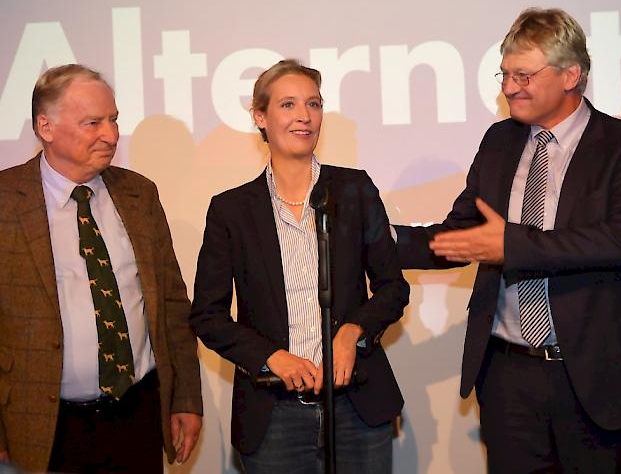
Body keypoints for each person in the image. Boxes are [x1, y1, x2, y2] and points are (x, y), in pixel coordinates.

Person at [394, 8, 621, 473]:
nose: (510, 87)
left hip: (598, 377)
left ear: (572, 75)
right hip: (508, 378)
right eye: (506, 74)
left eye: (524, 75)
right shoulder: (500, 141)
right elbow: (462, 237)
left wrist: (512, 246)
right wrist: (377, 238)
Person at [190, 59, 409, 473]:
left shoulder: (354, 189)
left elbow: (392, 287)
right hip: (272, 414)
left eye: (314, 104)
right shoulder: (231, 210)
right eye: (288, 105)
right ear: (260, 117)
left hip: (357, 406)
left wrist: (352, 332)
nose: (305, 116)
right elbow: (208, 315)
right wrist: (270, 356)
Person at [0, 64, 203, 473]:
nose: (110, 135)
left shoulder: (139, 194)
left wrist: (185, 398)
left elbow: (172, 306)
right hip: (42, 426)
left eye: (113, 120)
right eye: (93, 122)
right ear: (46, 127)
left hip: (138, 414)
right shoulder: (6, 203)